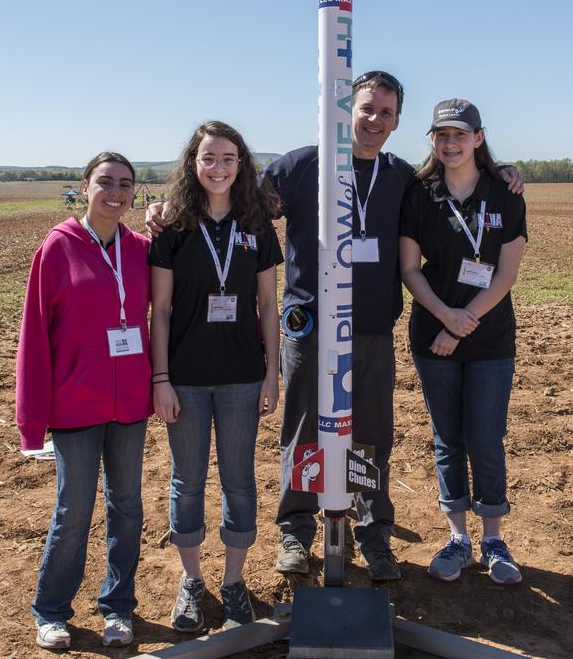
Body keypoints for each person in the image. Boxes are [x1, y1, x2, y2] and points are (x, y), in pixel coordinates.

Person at [145, 70, 522, 581]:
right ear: (347, 109)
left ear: (397, 122)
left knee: (372, 435)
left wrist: (504, 173)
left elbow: (458, 188)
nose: (374, 120)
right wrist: (171, 207)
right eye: (366, 109)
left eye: (386, 113)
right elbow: (233, 193)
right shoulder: (301, 167)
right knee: (302, 429)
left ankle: (372, 532)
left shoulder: (399, 178)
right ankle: (296, 532)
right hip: (308, 328)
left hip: (370, 330)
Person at [148, 121, 284, 631]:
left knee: (239, 482)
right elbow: (159, 310)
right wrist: (160, 378)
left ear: (241, 164)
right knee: (186, 483)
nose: (219, 167)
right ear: (193, 164)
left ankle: (232, 583)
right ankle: (190, 582)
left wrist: (272, 374)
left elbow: (269, 305)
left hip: (242, 378)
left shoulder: (257, 225)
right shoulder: (173, 227)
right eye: (209, 158)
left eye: (229, 158)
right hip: (183, 379)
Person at [15, 151, 153, 650]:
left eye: (125, 184)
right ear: (84, 186)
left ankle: (118, 607)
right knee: (73, 509)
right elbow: (34, 336)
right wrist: (31, 423)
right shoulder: (58, 248)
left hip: (130, 403)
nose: (116, 193)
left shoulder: (141, 249)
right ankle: (51, 611)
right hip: (75, 404)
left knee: (128, 506)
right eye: (105, 182)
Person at [398, 98, 527, 586]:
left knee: (486, 438)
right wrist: (446, 321)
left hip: (489, 337)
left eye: (460, 135)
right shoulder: (420, 195)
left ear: (478, 137)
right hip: (433, 335)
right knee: (448, 439)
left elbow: (506, 274)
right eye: (441, 136)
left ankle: (494, 538)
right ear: (433, 140)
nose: (450, 144)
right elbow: (409, 268)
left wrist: (463, 322)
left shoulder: (506, 192)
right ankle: (458, 538)